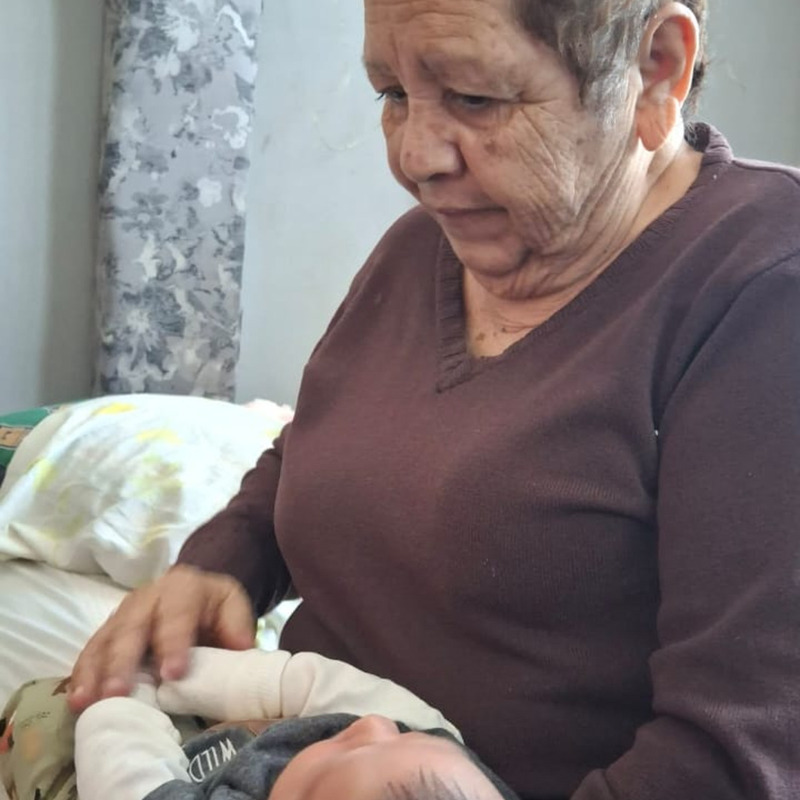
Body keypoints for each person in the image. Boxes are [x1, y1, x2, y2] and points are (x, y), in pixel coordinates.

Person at [69, 0, 800, 797]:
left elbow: (734, 759)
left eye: (475, 98)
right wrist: (223, 563)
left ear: (655, 67)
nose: (414, 159)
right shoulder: (428, 243)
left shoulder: (762, 294)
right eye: (391, 93)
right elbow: (328, 443)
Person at [2, 647, 516, 800]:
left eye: (335, 761)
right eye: (401, 736)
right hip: (203, 705)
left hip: (142, 759)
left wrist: (126, 692)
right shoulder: (421, 735)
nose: (369, 728)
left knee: (44, 719)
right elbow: (299, 681)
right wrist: (172, 671)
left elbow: (122, 771)